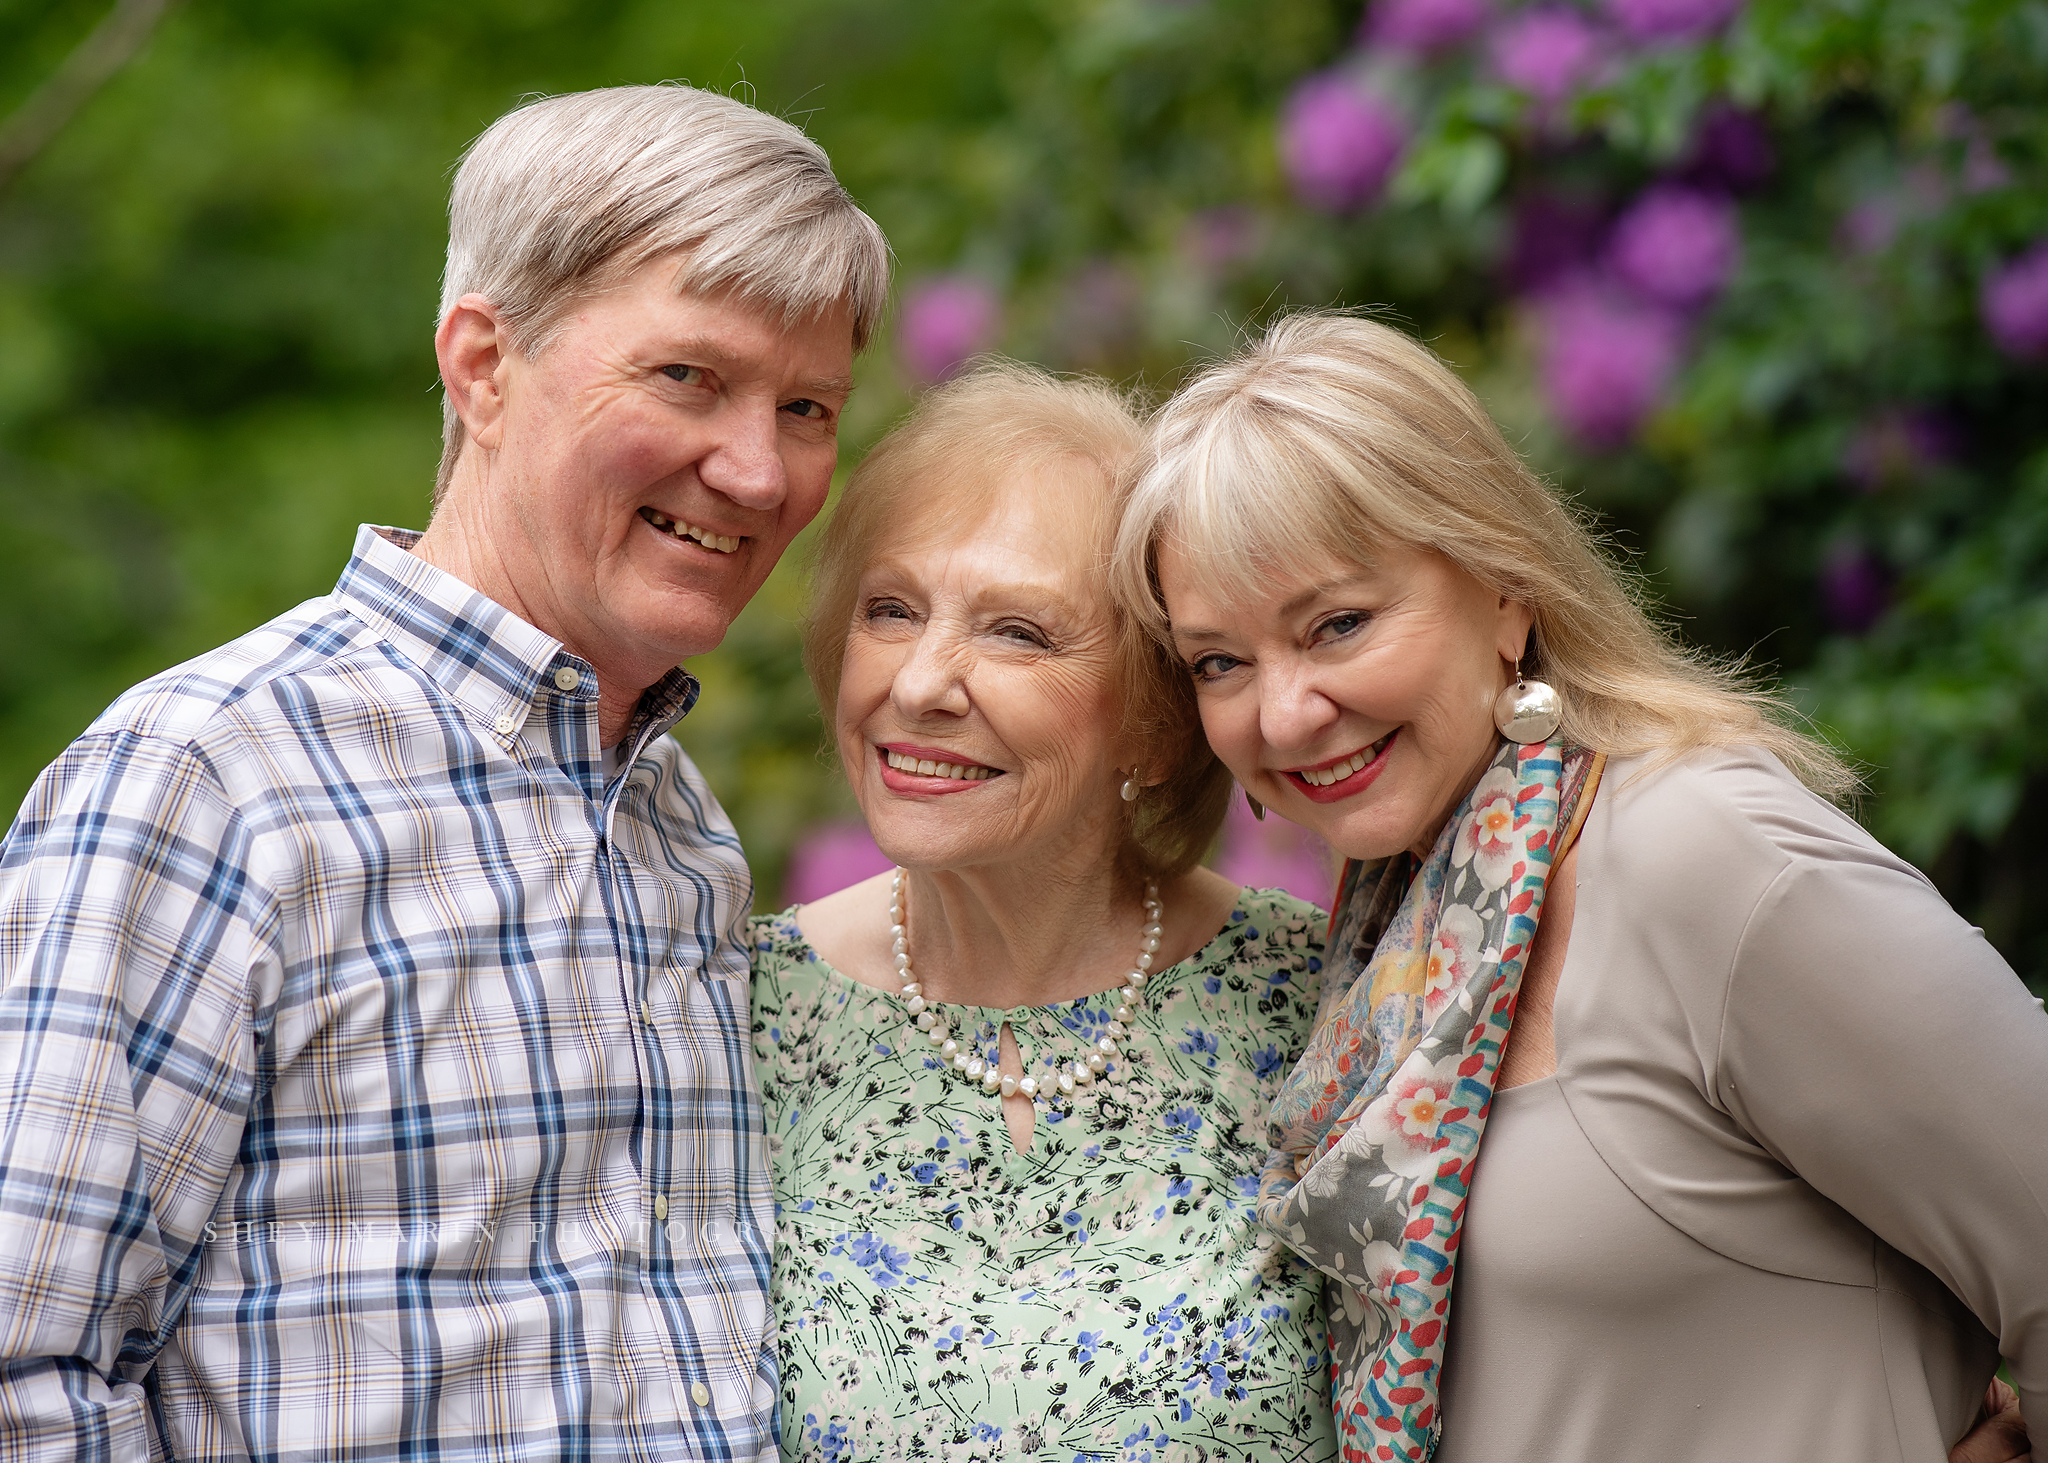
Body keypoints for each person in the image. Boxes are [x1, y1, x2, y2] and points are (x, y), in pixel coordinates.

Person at [0, 85, 886, 1461]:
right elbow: (26, 1368)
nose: (760, 469)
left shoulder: (675, 822)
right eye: (688, 378)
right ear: (482, 363)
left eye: (808, 405)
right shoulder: (211, 781)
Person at [1110, 312, 2046, 1463]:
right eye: (1221, 661)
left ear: (1504, 591)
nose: (1284, 711)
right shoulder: (1394, 935)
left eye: (1338, 623)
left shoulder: (1701, 854)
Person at [748, 364, 1340, 1461]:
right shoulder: (736, 1015)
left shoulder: (1311, 999)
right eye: (889, 609)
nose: (920, 682)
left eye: (1017, 631)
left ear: (1158, 724)